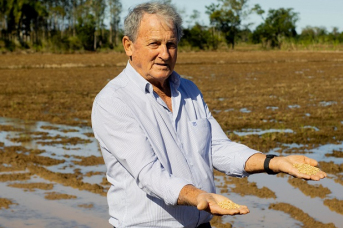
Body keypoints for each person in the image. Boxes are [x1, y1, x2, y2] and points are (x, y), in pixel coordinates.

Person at [91, 2, 326, 228]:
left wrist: (273, 162)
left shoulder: (189, 91)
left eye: (171, 44)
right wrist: (198, 196)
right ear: (128, 45)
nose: (165, 53)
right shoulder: (114, 101)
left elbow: (216, 148)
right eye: (154, 43)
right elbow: (148, 173)